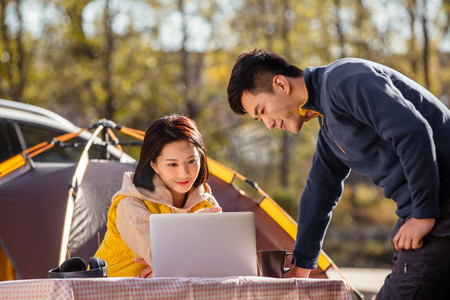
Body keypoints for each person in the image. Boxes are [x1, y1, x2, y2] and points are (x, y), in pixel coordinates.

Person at [226, 49, 450, 299]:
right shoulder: (329, 126)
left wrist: (423, 215)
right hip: (426, 209)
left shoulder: (343, 80)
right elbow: (319, 191)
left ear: (280, 84)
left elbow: (413, 131)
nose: (268, 124)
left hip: (440, 205)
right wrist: (302, 263)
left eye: (263, 110)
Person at [94, 114, 222, 278]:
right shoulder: (130, 204)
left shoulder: (205, 203)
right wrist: (192, 228)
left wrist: (165, 270)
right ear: (153, 164)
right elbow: (160, 258)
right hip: (114, 293)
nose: (184, 173)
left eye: (191, 161)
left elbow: (220, 260)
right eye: (172, 164)